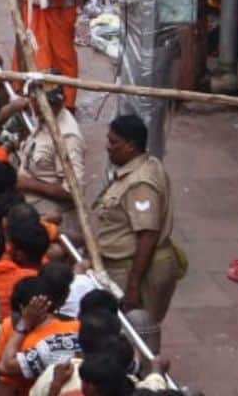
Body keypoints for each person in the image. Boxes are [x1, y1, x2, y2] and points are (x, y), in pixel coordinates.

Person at [90, 113, 181, 347]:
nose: (108, 147)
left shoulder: (141, 182)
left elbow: (148, 234)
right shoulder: (140, 166)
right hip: (121, 264)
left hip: (134, 267)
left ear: (131, 146)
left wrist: (132, 287)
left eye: (113, 142)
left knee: (136, 331)